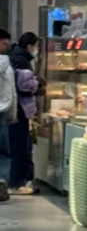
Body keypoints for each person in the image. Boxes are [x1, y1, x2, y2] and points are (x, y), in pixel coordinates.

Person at [8, 33, 41, 195]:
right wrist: (38, 84)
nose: (36, 50)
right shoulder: (22, 60)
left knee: (19, 145)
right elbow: (23, 86)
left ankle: (18, 181)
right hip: (20, 109)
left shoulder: (15, 57)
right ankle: (17, 183)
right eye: (36, 46)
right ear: (29, 46)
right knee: (20, 146)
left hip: (16, 108)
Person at [0, 29, 14, 202]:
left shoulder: (7, 65)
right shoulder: (5, 64)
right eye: (4, 44)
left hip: (3, 112)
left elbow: (11, 92)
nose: (6, 48)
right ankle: (1, 180)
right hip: (1, 111)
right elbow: (11, 93)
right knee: (3, 151)